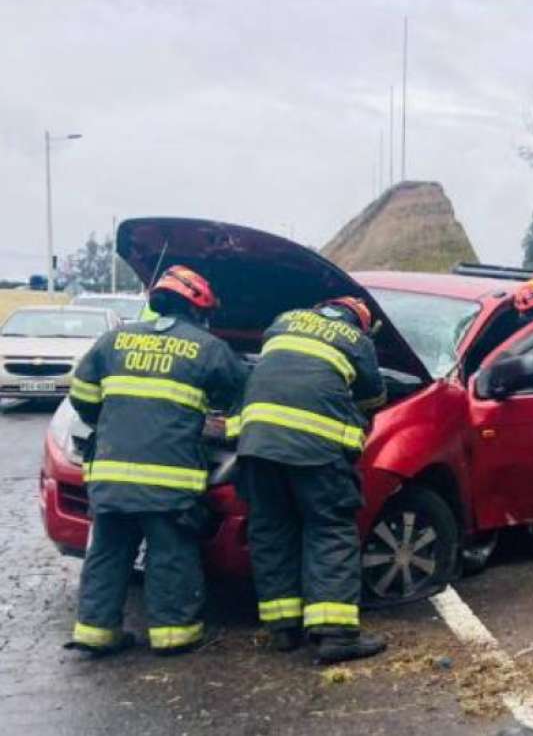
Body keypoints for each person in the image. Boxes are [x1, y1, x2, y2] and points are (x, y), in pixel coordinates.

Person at [66, 265, 247, 656]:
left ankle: (95, 634)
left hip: (110, 475)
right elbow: (243, 401)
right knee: (171, 555)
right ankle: (173, 637)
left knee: (108, 553)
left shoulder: (113, 340)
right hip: (169, 479)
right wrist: (219, 428)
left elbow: (81, 396)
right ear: (199, 309)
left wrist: (115, 420)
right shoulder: (209, 348)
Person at [231, 296, 387, 664]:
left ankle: (283, 628)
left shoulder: (281, 320)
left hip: (256, 446)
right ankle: (336, 635)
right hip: (315, 451)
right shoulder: (356, 340)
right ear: (360, 322)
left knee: (271, 530)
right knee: (330, 529)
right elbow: (374, 396)